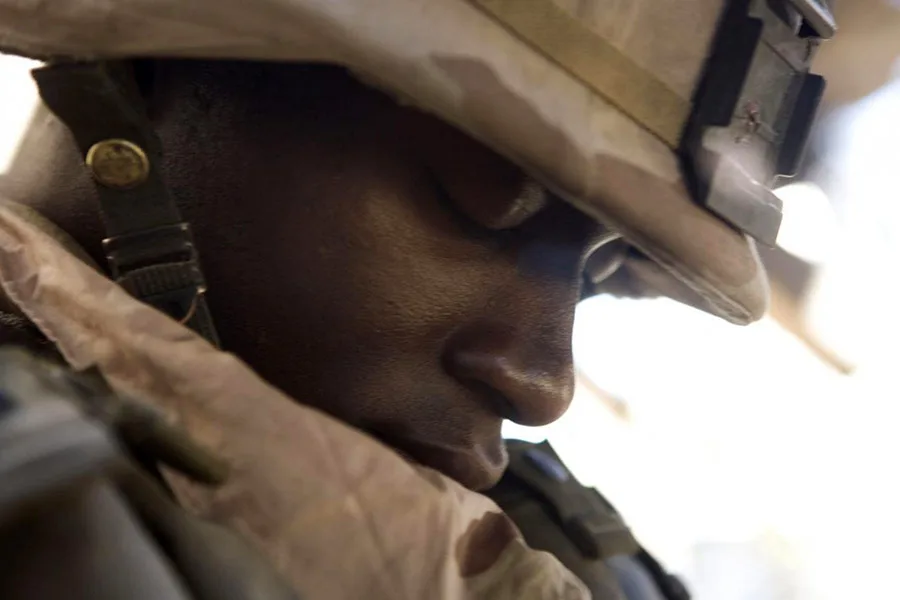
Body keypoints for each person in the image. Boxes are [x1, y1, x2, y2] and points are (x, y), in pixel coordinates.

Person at [0, 0, 833, 598]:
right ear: (144, 66)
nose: (544, 385)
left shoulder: (528, 541)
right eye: (484, 214)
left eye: (593, 276)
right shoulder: (39, 501)